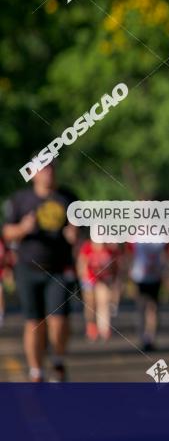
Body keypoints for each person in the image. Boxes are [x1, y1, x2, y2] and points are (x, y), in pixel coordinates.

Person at [1, 162, 79, 382]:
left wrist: (74, 235)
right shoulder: (21, 200)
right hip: (28, 268)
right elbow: (7, 232)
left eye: (52, 167)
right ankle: (36, 371)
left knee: (59, 321)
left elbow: (81, 231)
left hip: (59, 269)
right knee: (34, 322)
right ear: (33, 173)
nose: (49, 172)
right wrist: (23, 229)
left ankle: (58, 360)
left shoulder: (69, 198)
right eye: (43, 168)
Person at [127, 241, 169, 351]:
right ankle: (147, 337)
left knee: (151, 307)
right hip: (141, 277)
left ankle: (149, 337)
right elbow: (130, 253)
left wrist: (166, 270)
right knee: (147, 307)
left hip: (153, 276)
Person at [76, 240, 123, 342]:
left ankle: (104, 328)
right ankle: (91, 326)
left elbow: (116, 265)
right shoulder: (87, 247)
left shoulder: (110, 248)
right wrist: (83, 276)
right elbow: (81, 263)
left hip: (104, 280)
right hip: (89, 279)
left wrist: (114, 279)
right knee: (90, 304)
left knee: (104, 303)